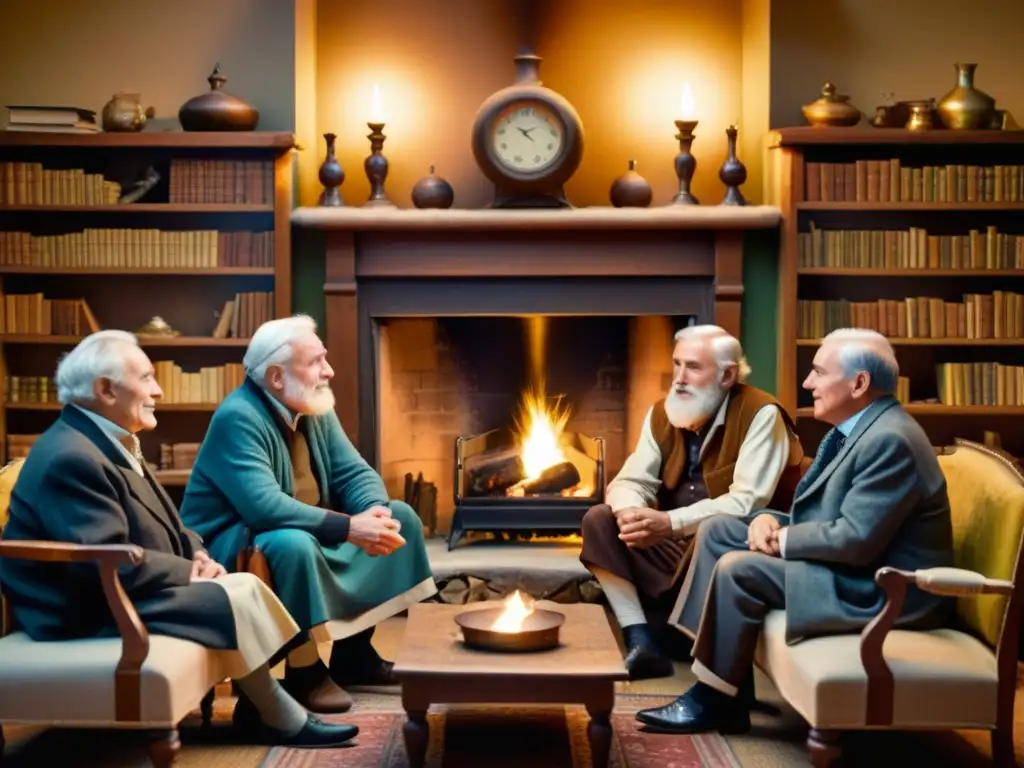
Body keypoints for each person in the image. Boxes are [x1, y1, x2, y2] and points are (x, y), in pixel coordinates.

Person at [0, 331, 357, 747]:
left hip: (116, 584)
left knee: (241, 586)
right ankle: (279, 710)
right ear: (104, 389)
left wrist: (197, 551)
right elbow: (102, 556)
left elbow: (171, 519)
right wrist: (190, 573)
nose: (159, 390)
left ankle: (273, 706)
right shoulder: (72, 457)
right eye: (148, 378)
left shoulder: (105, 438)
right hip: (81, 607)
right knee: (231, 594)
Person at [636, 328, 955, 734]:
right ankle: (728, 687)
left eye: (819, 373)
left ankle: (714, 697)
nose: (808, 384)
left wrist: (782, 539)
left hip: (884, 588)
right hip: (858, 568)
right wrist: (766, 520)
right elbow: (828, 518)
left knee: (739, 568)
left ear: (859, 383)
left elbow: (855, 541)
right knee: (719, 530)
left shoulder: (890, 441)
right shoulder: (859, 429)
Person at [180, 315, 436, 714]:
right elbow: (263, 507)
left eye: (325, 359)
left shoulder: (313, 405)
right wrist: (350, 527)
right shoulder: (238, 417)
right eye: (316, 362)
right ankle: (305, 670)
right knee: (292, 544)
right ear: (277, 377)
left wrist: (375, 513)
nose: (328, 371)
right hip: (234, 544)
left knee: (401, 516)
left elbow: (353, 471)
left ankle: (354, 656)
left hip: (304, 528)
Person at [579, 325, 805, 680]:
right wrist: (630, 515)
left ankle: (687, 639)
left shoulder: (761, 414)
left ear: (728, 375)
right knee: (599, 519)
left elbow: (746, 503)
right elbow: (631, 480)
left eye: (693, 367)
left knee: (714, 529)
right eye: (677, 364)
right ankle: (640, 640)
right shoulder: (662, 413)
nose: (679, 379)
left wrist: (668, 523)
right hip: (671, 546)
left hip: (725, 548)